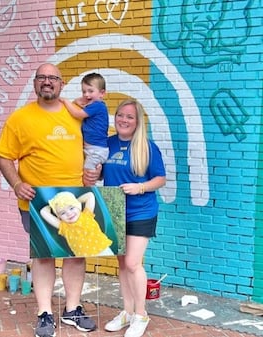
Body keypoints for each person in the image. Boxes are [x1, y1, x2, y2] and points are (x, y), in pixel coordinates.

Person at [0, 63, 97, 337]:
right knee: (43, 258)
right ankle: (44, 313)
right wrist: (16, 183)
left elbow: (95, 147)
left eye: (53, 78)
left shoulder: (76, 115)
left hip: (74, 200)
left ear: (62, 85)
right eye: (42, 77)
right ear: (35, 84)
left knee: (75, 256)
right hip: (37, 202)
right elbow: (3, 155)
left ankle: (72, 309)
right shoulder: (20, 119)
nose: (48, 82)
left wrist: (95, 170)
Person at [101, 99, 166, 337]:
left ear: (138, 121)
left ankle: (141, 314)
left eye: (129, 117)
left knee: (132, 263)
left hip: (141, 211)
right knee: (121, 264)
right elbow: (97, 171)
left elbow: (160, 178)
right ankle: (127, 312)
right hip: (114, 210)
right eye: (120, 115)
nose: (123, 120)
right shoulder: (108, 144)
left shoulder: (147, 147)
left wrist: (140, 187)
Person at [60, 73, 109, 182]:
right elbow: (78, 103)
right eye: (84, 91)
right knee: (87, 176)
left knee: (88, 179)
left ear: (102, 93)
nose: (86, 95)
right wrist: (77, 101)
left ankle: (93, 197)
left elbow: (77, 114)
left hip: (95, 151)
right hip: (91, 149)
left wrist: (65, 101)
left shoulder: (97, 106)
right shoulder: (92, 106)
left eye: (91, 91)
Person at [40, 191, 114, 257]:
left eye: (71, 208)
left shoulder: (87, 214)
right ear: (59, 217)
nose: (69, 213)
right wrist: (53, 205)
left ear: (77, 206)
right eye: (63, 213)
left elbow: (90, 195)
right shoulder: (64, 226)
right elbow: (43, 212)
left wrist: (76, 202)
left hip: (103, 250)